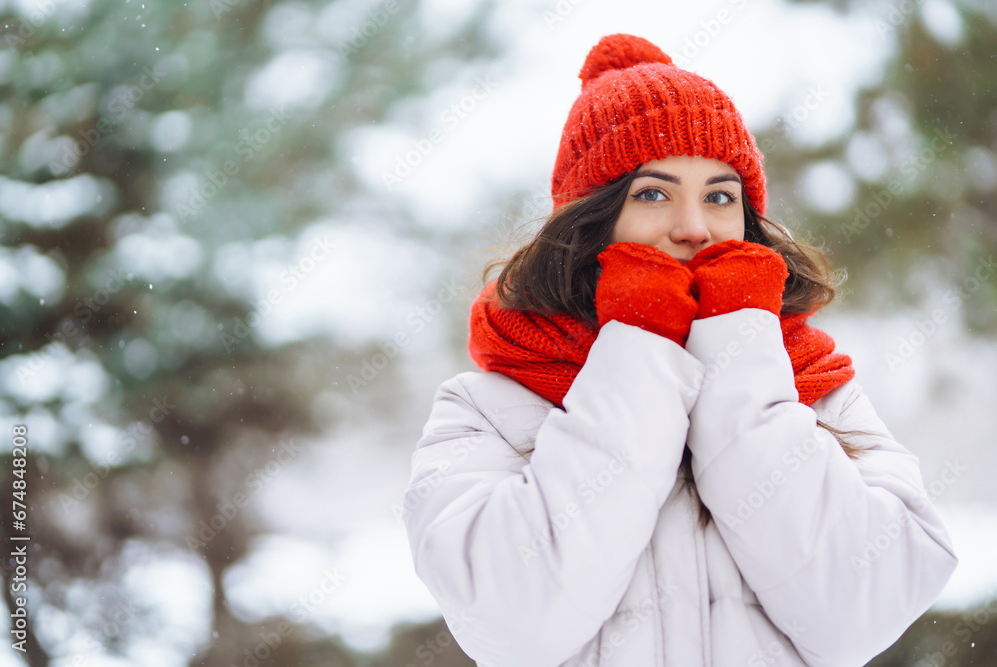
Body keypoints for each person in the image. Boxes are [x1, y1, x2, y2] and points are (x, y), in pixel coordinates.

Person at [401, 33, 958, 667]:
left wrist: (739, 356)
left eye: (720, 196)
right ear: (590, 217)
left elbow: (863, 610)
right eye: (653, 193)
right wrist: (639, 347)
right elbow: (514, 626)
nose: (694, 227)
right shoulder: (488, 407)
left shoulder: (820, 390)